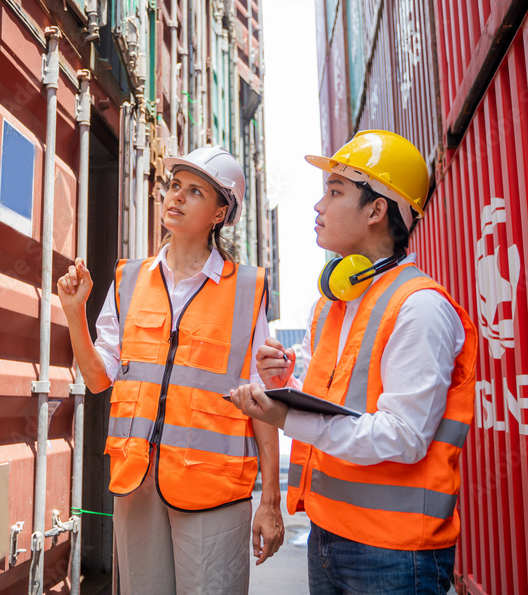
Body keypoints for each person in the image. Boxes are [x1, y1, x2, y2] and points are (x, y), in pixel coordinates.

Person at [230, 130, 478, 595]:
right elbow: (341, 402)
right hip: (328, 534)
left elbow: (404, 437)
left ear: (376, 209)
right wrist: (286, 382)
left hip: (395, 555)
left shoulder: (419, 307)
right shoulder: (334, 305)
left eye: (335, 191)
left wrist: (288, 417)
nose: (318, 206)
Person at [58, 146, 287, 594]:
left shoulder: (245, 290)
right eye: (174, 186)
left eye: (194, 191)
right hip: (137, 484)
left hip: (213, 491)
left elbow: (263, 402)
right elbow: (97, 378)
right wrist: (73, 313)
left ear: (220, 212)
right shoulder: (128, 279)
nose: (176, 198)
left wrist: (271, 503)